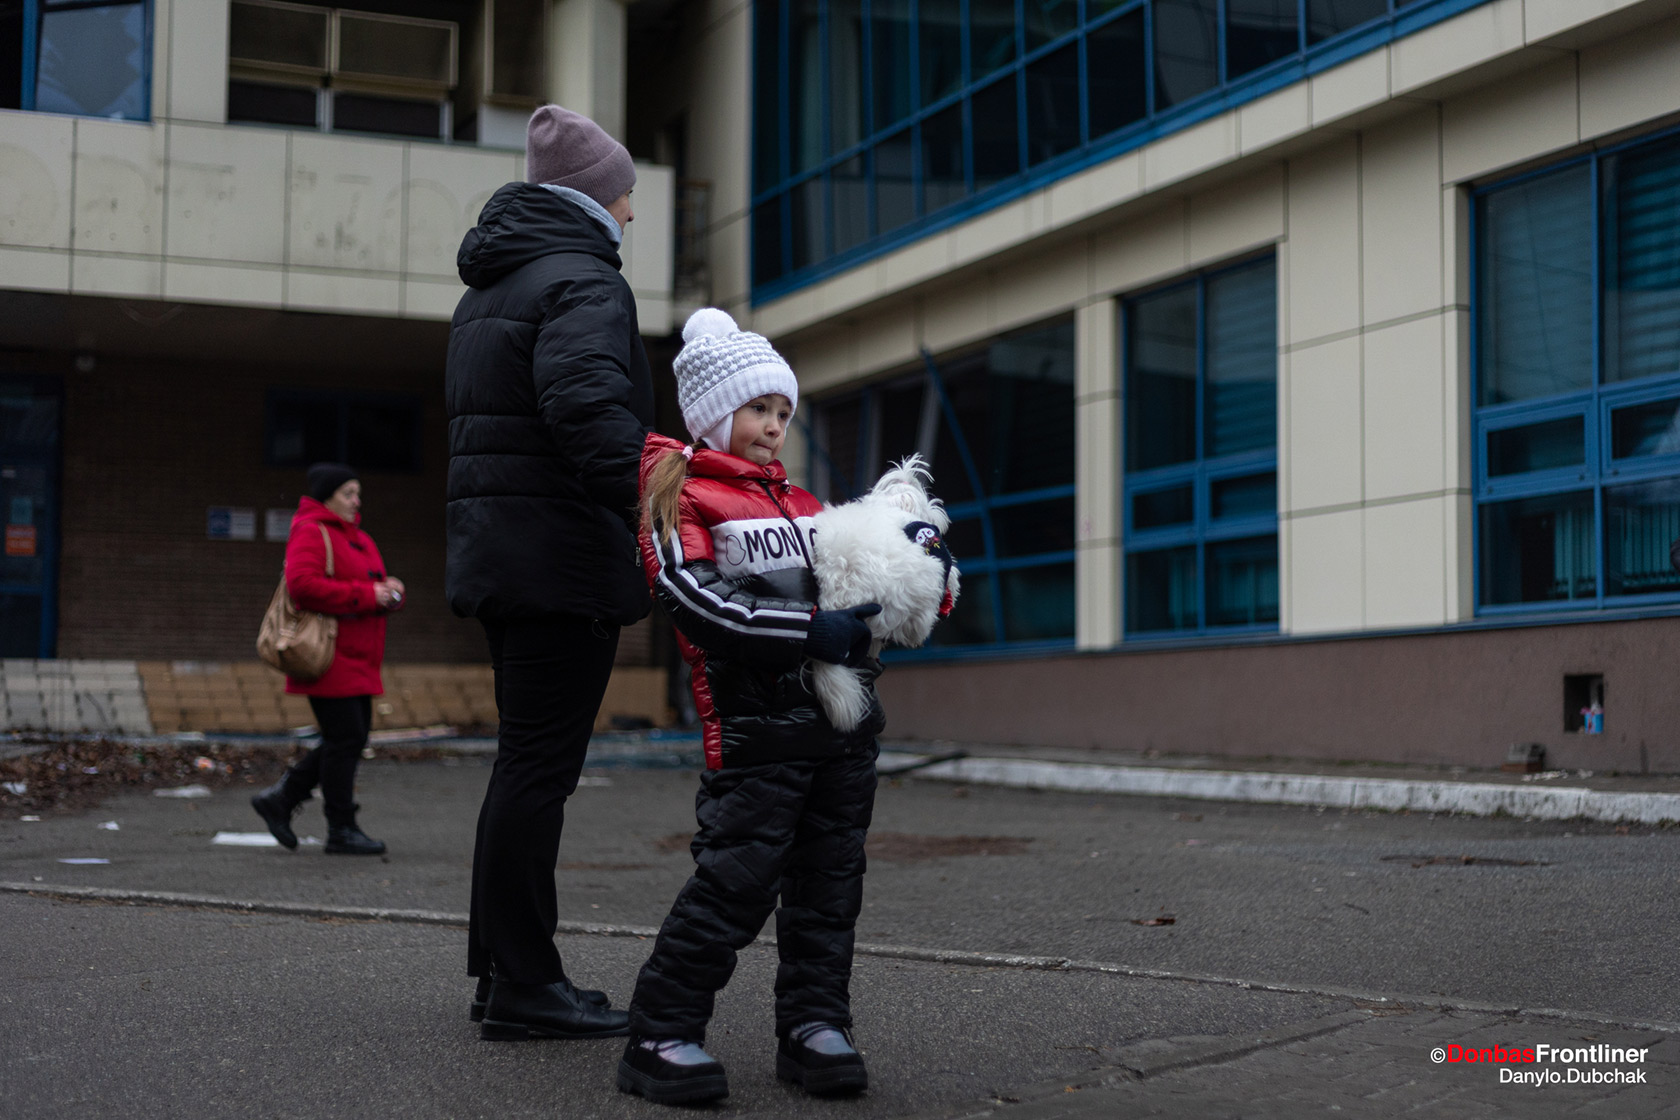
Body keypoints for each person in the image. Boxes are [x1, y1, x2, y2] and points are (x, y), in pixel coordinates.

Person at [616, 309, 884, 1106]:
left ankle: (814, 1026)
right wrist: (809, 630)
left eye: (782, 412)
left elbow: (861, 587)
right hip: (756, 734)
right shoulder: (680, 495)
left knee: (830, 888)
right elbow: (694, 599)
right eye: (757, 409)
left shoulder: (806, 503)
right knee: (735, 884)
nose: (773, 427)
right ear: (713, 413)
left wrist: (915, 579)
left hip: (841, 732)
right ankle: (660, 1032)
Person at [445, 104, 652, 1041]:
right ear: (591, 197)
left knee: (520, 767)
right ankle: (526, 985)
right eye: (624, 195)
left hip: (506, 556)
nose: (631, 213)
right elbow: (587, 412)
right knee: (538, 773)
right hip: (560, 561)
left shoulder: (494, 285)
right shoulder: (582, 280)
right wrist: (663, 504)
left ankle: (503, 975)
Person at [251, 462, 402, 856]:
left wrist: (390, 593)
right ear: (326, 497)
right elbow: (302, 586)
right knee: (346, 738)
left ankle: (282, 799)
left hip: (360, 657)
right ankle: (340, 827)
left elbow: (371, 588)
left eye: (358, 493)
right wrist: (369, 594)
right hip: (328, 656)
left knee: (350, 738)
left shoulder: (360, 538)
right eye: (348, 493)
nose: (356, 501)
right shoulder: (312, 530)